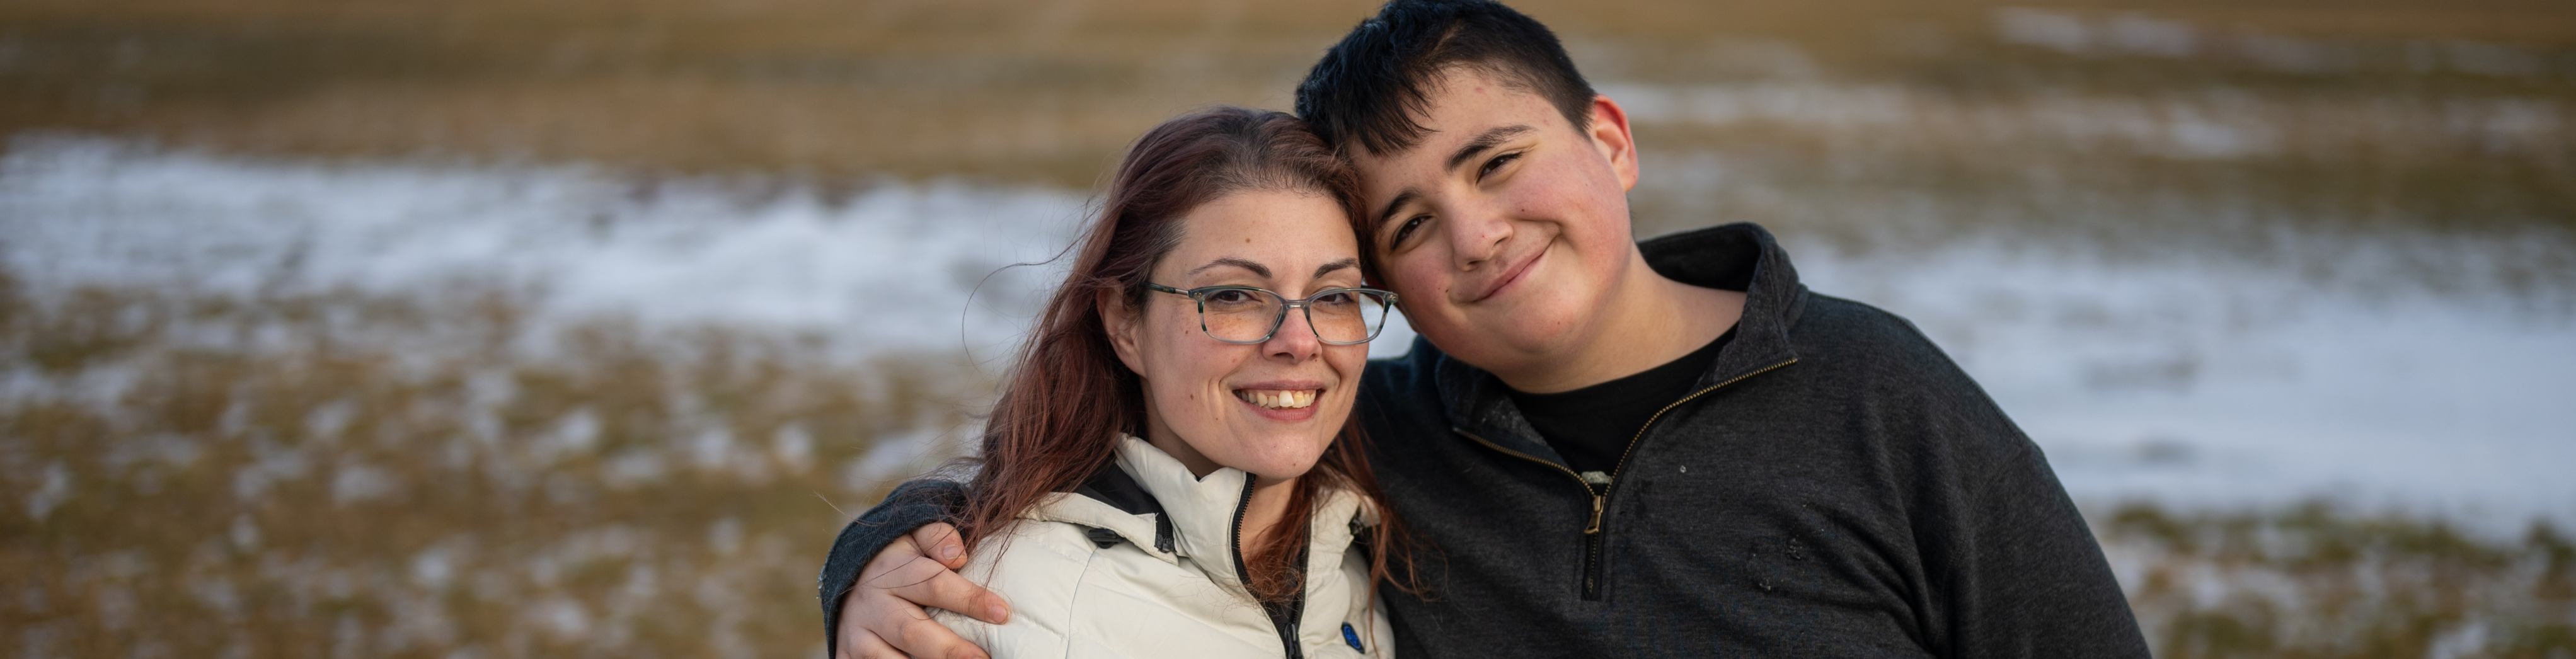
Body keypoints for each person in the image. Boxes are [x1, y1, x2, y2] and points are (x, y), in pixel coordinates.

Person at [819, 1, 2152, 657]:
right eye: (1405, 223)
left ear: (1612, 142)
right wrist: (871, 563)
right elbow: (1101, 473)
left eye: (1500, 160)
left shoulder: (1877, 394)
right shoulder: (1369, 434)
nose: (1472, 231)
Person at [857, 106, 1414, 658]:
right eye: (1232, 295)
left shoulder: (1360, 550)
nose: (1300, 340)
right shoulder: (1009, 608)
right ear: (1126, 323)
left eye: (1335, 295)